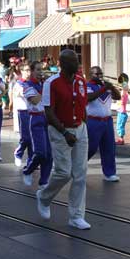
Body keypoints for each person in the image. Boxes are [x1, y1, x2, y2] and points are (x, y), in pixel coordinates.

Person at [36, 49, 91, 230]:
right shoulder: (51, 83)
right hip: (61, 130)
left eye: (77, 60)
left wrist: (84, 121)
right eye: (74, 61)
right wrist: (65, 133)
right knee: (63, 173)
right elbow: (48, 112)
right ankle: (44, 197)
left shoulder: (81, 81)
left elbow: (83, 101)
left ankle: (76, 216)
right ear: (63, 63)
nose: (77, 64)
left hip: (80, 129)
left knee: (80, 174)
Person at [86, 66, 121, 182]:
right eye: (97, 74)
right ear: (91, 74)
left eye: (101, 73)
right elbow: (89, 98)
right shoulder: (87, 86)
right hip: (93, 121)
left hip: (107, 121)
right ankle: (78, 166)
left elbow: (118, 97)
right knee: (91, 147)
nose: (100, 76)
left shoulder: (105, 86)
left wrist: (112, 88)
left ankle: (109, 173)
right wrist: (104, 88)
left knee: (109, 147)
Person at [21, 61, 52, 187]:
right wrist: (46, 87)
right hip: (36, 119)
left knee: (49, 154)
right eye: (38, 70)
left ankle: (44, 181)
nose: (41, 72)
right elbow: (34, 101)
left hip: (48, 119)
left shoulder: (44, 84)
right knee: (40, 152)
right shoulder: (27, 85)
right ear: (32, 72)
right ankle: (28, 170)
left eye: (42, 70)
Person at [12, 62, 33, 168]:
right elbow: (18, 94)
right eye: (26, 71)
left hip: (33, 112)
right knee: (25, 138)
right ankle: (18, 153)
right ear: (21, 72)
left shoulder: (32, 83)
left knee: (33, 137)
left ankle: (31, 160)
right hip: (23, 112)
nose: (28, 73)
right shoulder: (19, 83)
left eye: (29, 70)